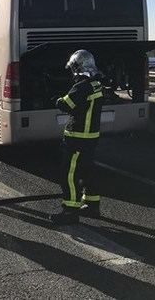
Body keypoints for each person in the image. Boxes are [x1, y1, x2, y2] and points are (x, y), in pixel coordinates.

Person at [49, 50, 105, 225]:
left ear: (77, 67)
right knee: (88, 170)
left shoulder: (81, 87)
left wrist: (55, 99)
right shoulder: (96, 84)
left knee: (69, 174)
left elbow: (67, 104)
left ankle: (70, 211)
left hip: (77, 138)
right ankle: (92, 204)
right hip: (91, 137)